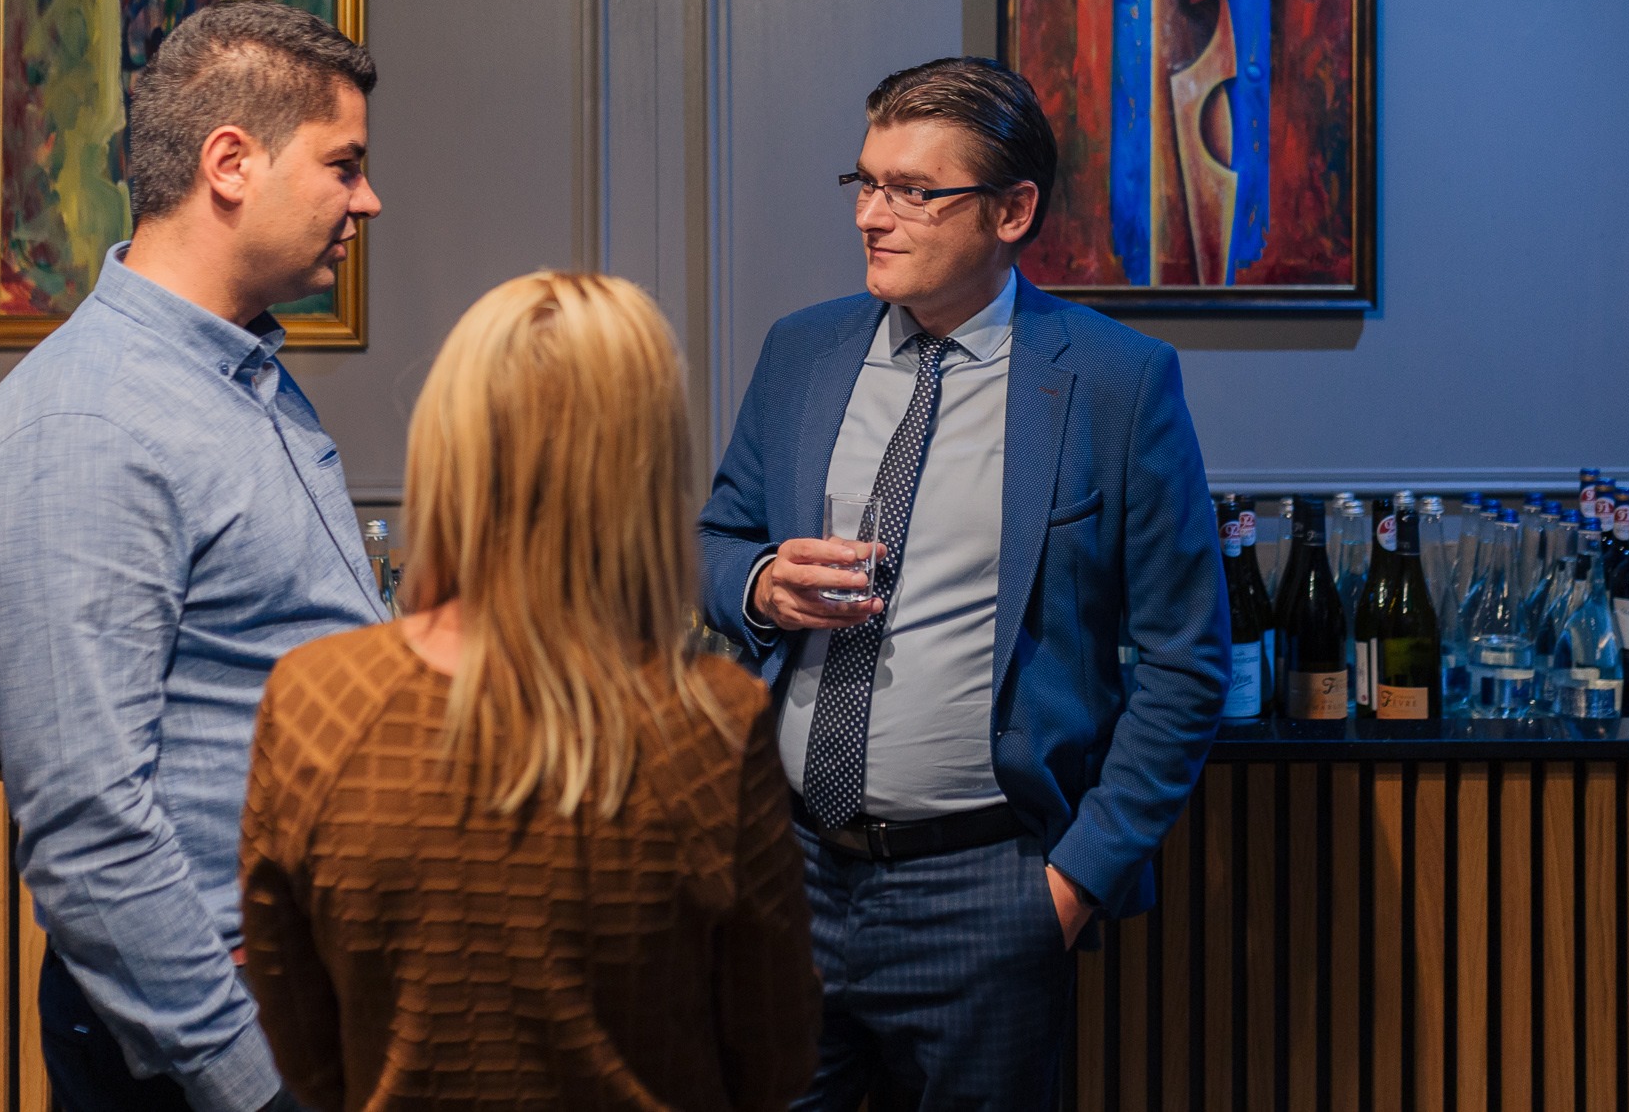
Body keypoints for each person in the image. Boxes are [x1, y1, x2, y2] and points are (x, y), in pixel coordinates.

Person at [697, 57, 1230, 1108]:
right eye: (865, 183)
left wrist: (1072, 884)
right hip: (791, 875)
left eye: (913, 191)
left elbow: (1185, 662)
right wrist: (760, 584)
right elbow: (717, 539)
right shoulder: (801, 351)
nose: (871, 217)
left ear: (1011, 211)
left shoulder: (1115, 384)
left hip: (987, 891)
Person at [239, 272, 823, 1111]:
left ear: (447, 444)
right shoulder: (711, 722)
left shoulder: (315, 700)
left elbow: (302, 1040)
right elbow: (774, 1054)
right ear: (647, 469)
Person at [0, 1, 387, 1112]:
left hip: (309, 994)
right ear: (229, 163)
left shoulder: (241, 378)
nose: (367, 200)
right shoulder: (86, 423)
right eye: (343, 165)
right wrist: (252, 1084)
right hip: (218, 1035)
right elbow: (86, 828)